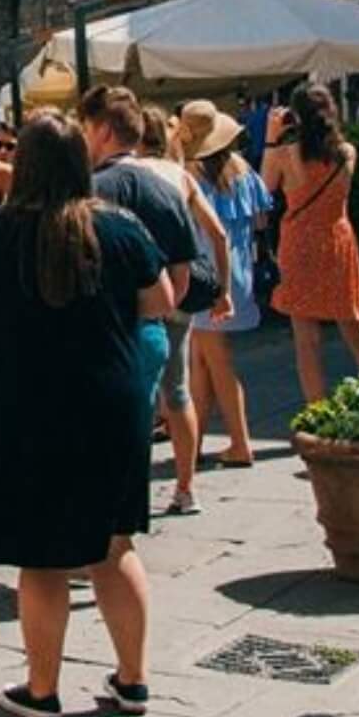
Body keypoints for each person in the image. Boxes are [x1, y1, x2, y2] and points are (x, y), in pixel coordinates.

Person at [0, 114, 168, 717]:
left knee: (40, 556)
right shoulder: (119, 227)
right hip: (110, 402)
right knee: (115, 543)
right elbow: (160, 300)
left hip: (28, 404)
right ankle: (134, 680)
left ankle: (42, 689)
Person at [73, 90, 202, 502]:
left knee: (95, 430)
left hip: (98, 329)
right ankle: (160, 499)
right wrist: (155, 308)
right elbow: (182, 274)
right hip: (152, 328)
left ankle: (106, 524)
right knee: (150, 413)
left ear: (105, 131)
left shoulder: (90, 190)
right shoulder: (167, 187)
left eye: (88, 129)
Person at [263, 85, 359, 406]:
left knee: (307, 340)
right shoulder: (347, 153)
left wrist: (272, 137)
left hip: (299, 240)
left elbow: (264, 190)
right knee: (354, 326)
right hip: (337, 237)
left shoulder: (286, 153)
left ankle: (318, 410)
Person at [139, 102, 231, 516]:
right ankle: (185, 487)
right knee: (177, 390)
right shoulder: (180, 176)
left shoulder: (128, 177)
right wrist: (223, 290)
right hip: (182, 288)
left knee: (138, 391)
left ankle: (131, 487)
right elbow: (219, 234)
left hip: (142, 290)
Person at [177, 100, 267, 471]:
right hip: (237, 271)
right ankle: (194, 442)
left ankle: (241, 442)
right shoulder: (244, 172)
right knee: (201, 361)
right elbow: (261, 221)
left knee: (216, 361)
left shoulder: (191, 178)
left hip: (207, 278)